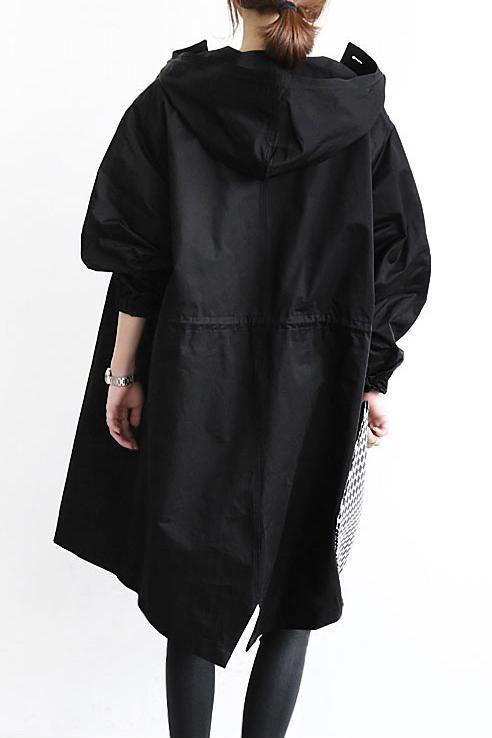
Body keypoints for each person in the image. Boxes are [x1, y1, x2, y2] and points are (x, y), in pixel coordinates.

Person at [53, 1, 431, 736]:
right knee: (298, 580)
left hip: (195, 375)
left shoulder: (173, 101)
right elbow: (399, 256)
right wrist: (373, 375)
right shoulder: (360, 117)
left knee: (191, 586)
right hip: (321, 380)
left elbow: (137, 254)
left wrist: (123, 376)